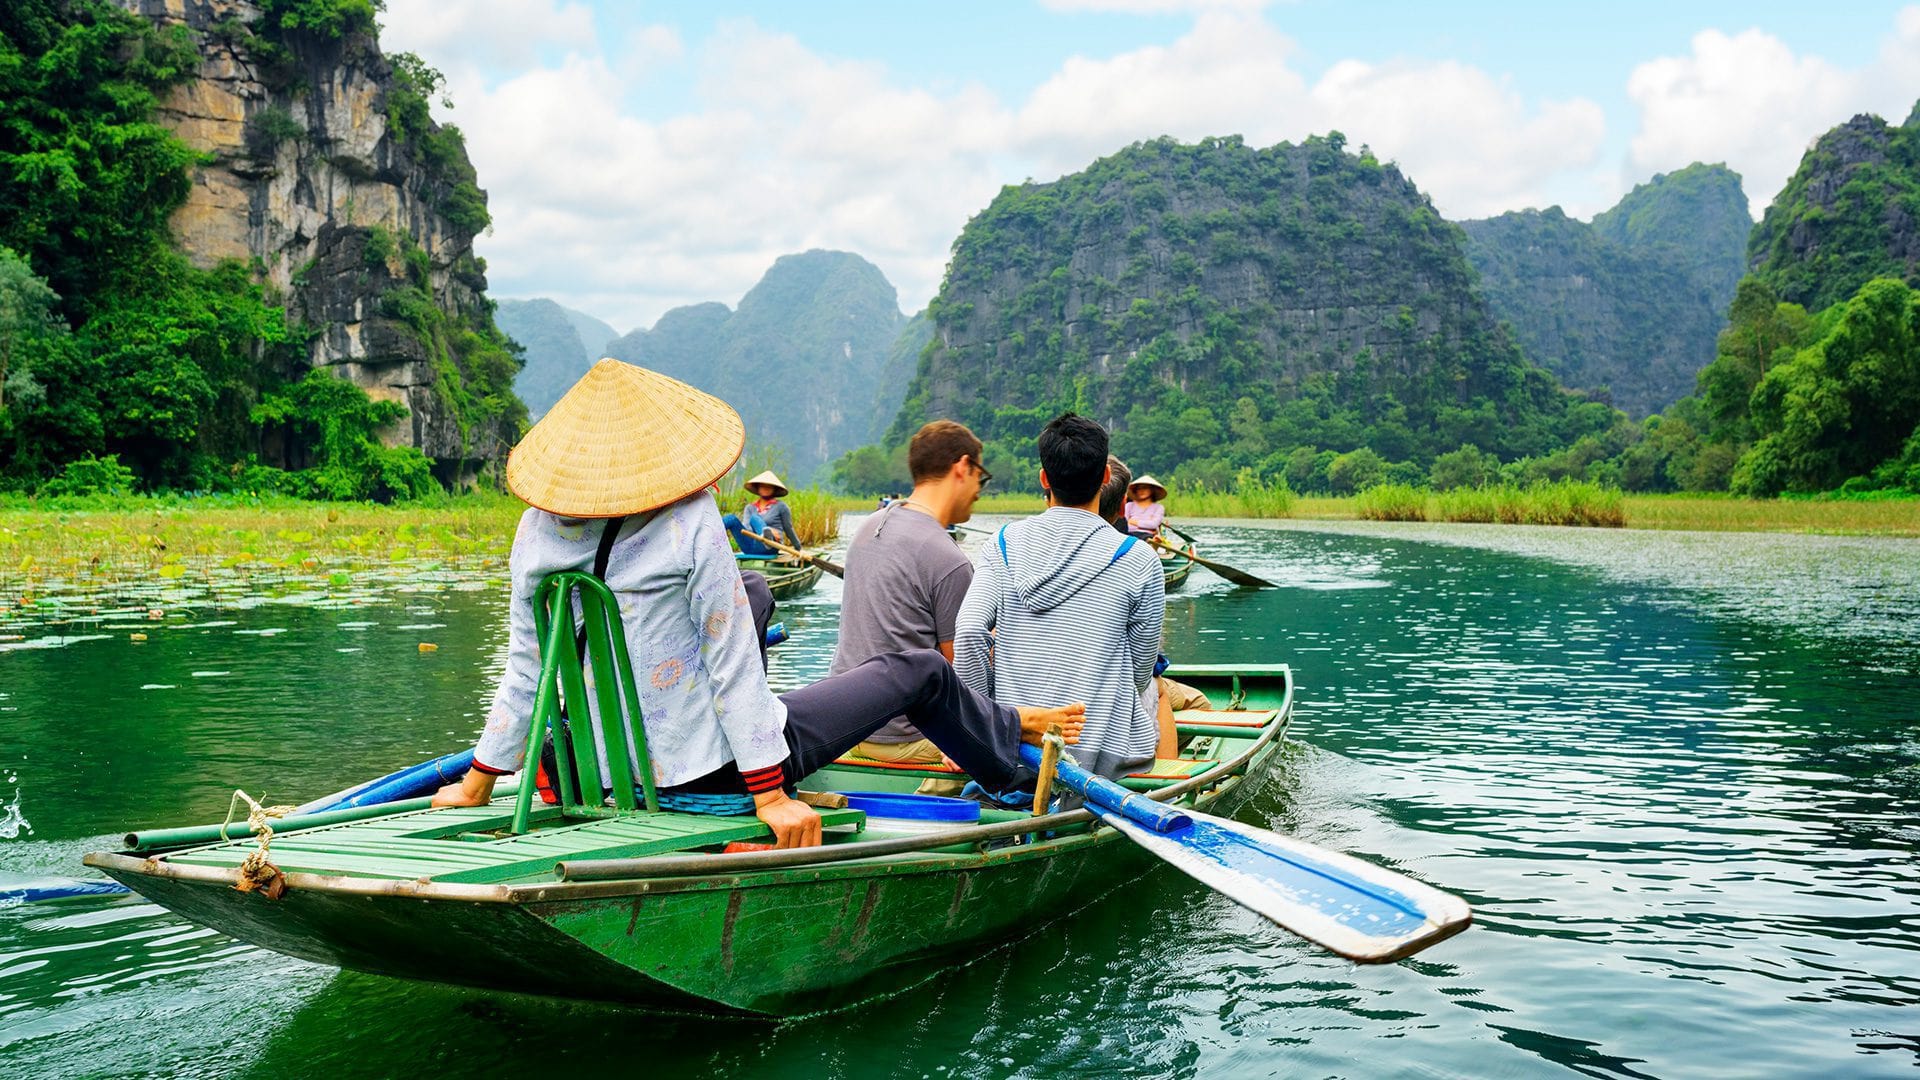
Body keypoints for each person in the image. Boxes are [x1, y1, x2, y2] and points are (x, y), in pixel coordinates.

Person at [430, 360, 1084, 847]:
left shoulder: (536, 530)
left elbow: (524, 668)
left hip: (580, 769)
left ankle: (1005, 723)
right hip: (706, 774)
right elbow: (732, 660)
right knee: (920, 670)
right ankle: (1007, 760)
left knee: (754, 590)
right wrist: (769, 796)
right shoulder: (689, 520)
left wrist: (477, 784)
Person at [955, 414, 1164, 779]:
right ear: (1104, 478)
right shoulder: (1139, 559)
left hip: (1014, 751)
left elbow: (970, 632)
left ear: (1044, 479)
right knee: (1155, 687)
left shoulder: (1002, 544)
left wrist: (985, 730)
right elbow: (1141, 671)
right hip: (1101, 759)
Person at [833, 421, 990, 790]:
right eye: (980, 476)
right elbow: (962, 671)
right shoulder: (947, 558)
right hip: (903, 738)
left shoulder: (868, 527)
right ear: (963, 467)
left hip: (844, 721)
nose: (979, 492)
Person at [724, 471, 797, 558]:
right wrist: (768, 529)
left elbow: (788, 528)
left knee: (755, 518)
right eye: (762, 485)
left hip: (771, 546)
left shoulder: (781, 506)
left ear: (774, 488)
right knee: (731, 518)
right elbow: (747, 529)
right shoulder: (750, 507)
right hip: (749, 546)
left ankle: (767, 538)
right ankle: (708, 533)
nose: (766, 488)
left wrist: (797, 547)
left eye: (769, 486)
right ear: (758, 487)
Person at [1123, 475, 1168, 539]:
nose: (1141, 491)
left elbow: (1154, 524)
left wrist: (1135, 522)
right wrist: (1146, 526)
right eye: (1139, 488)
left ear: (1152, 490)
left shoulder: (1159, 507)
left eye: (1145, 488)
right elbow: (1125, 524)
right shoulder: (1129, 505)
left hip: (1149, 537)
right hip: (1130, 535)